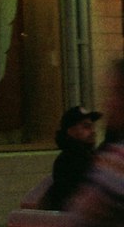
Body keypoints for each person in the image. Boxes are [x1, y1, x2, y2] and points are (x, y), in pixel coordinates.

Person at [67, 63, 124, 227]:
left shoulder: (113, 160)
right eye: (85, 126)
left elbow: (82, 215)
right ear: (70, 132)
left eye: (117, 93)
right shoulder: (71, 162)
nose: (110, 103)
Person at [50, 107, 102, 210]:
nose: (93, 131)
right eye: (86, 127)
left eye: (92, 127)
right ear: (71, 131)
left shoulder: (88, 155)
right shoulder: (69, 161)